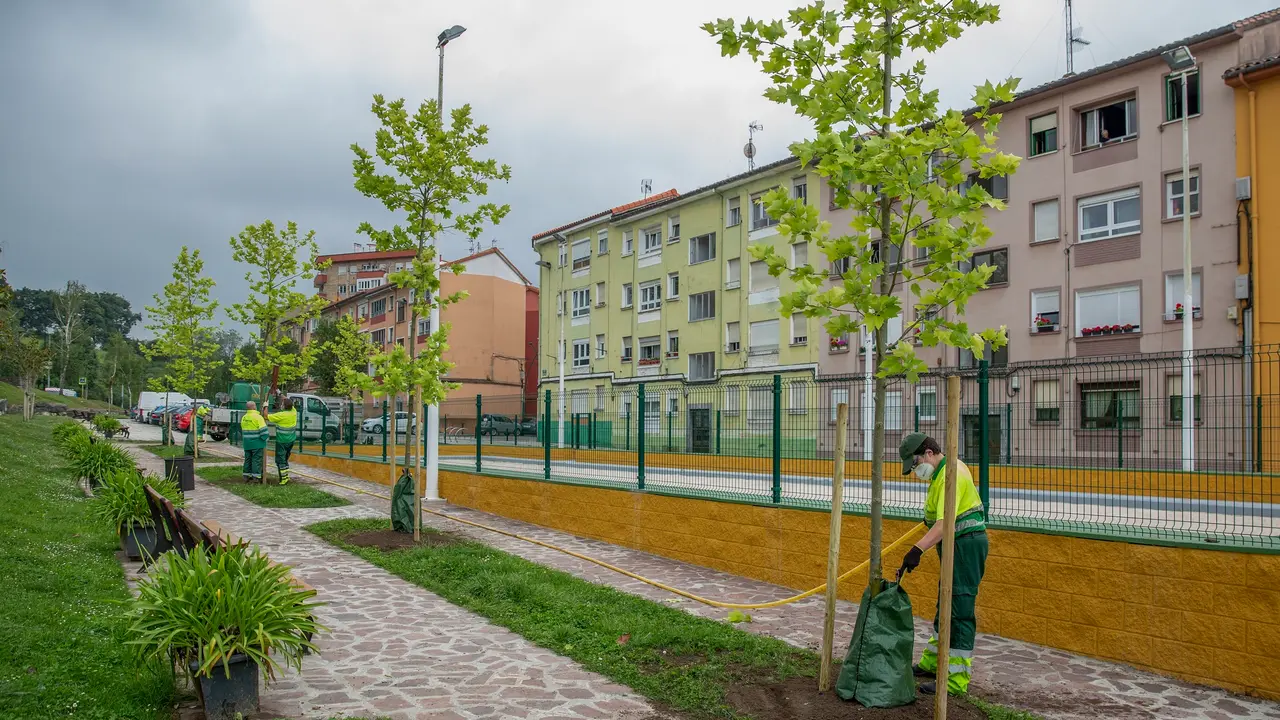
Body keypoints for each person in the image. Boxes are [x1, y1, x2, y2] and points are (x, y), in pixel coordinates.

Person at [896, 431, 988, 696]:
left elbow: (945, 522)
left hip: (966, 545)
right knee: (945, 602)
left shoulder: (952, 474)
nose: (916, 472)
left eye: (915, 465)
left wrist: (917, 549)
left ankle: (955, 681)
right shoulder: (938, 476)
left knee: (959, 610)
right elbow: (934, 519)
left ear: (928, 454)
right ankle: (933, 663)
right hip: (954, 544)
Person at [267, 396, 298, 485]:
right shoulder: (294, 412)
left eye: (282, 404)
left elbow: (265, 416)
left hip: (282, 441)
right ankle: (286, 476)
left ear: (284, 406)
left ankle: (283, 479)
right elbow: (287, 400)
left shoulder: (281, 415)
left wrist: (265, 406)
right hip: (291, 440)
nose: (281, 405)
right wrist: (279, 393)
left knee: (280, 460)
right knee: (285, 459)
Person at [240, 401, 268, 483]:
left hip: (247, 443)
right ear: (253, 407)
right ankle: (256, 478)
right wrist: (264, 439)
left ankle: (246, 476)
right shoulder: (258, 417)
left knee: (247, 459)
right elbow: (264, 432)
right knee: (256, 460)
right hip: (257, 443)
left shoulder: (244, 417)